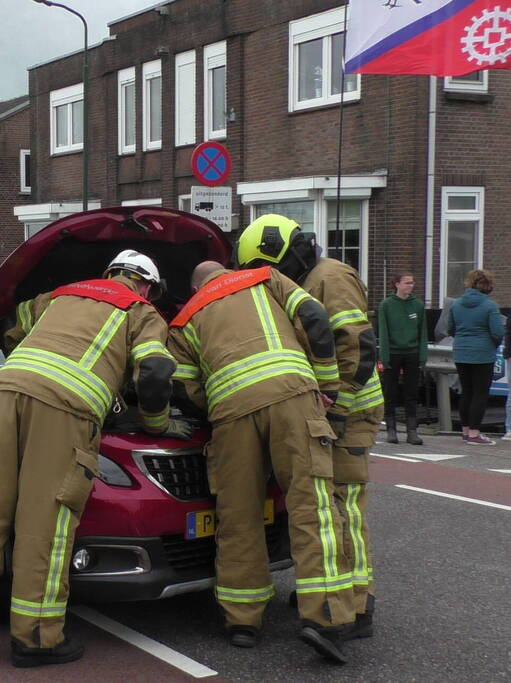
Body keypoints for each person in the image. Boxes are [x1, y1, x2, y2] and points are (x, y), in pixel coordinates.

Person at [0, 250, 184, 668]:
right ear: (146, 286)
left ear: (110, 272)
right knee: (44, 523)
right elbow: (157, 373)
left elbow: (12, 330)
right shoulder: (142, 312)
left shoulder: (60, 296)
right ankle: (36, 638)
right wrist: (156, 423)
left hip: (7, 393)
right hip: (64, 409)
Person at [166, 260, 355, 664]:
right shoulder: (264, 277)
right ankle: (325, 619)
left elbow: (182, 387)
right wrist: (326, 383)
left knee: (238, 515)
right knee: (313, 507)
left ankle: (242, 621)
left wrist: (217, 402)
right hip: (292, 397)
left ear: (195, 285)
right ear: (225, 269)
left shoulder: (184, 318)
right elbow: (315, 318)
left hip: (231, 416)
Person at [235, 215, 385, 642]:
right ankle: (328, 591)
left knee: (342, 506)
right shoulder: (305, 281)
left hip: (349, 412)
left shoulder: (330, 276)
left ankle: (357, 604)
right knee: (322, 504)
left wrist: (334, 413)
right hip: (326, 409)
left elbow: (357, 347)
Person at [447, 269, 503, 444]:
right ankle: (474, 433)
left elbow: (450, 329)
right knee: (480, 394)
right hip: (483, 354)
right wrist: (491, 346)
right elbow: (497, 332)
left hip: (461, 352)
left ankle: (465, 431)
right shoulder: (490, 306)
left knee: (466, 392)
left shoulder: (456, 304)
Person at [377, 272, 428, 445]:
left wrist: (423, 355)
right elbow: (383, 332)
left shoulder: (418, 305)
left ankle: (412, 431)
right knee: (390, 392)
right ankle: (391, 429)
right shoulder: (386, 305)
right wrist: (384, 356)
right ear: (397, 284)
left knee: (411, 393)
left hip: (412, 352)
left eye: (412, 283)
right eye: (407, 283)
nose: (410, 286)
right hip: (393, 352)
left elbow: (423, 332)